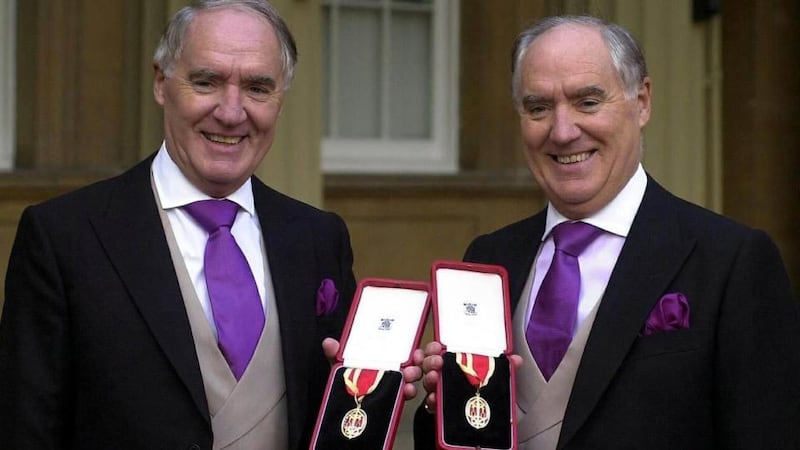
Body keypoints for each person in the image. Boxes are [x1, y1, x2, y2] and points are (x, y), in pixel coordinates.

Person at [0, 1, 420, 448]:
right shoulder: (65, 237)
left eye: (258, 88)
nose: (231, 112)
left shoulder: (318, 237)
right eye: (207, 82)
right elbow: (25, 428)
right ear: (161, 83)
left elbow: (336, 421)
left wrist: (381, 393)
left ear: (281, 99)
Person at [414, 15, 800, 449]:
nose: (562, 131)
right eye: (539, 107)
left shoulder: (731, 261)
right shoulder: (489, 257)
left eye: (588, 102)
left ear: (642, 102)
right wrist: (439, 405)